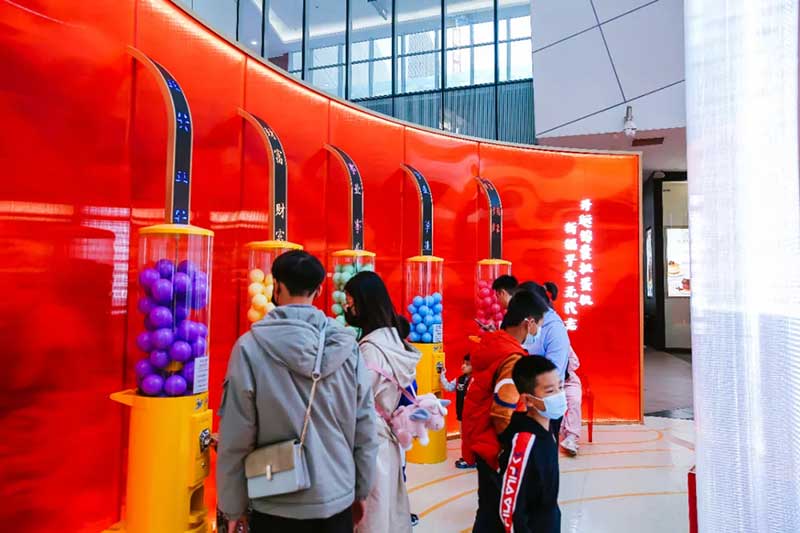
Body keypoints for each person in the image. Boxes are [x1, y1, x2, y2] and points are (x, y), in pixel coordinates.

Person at [217, 250, 379, 533]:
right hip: (337, 497)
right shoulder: (346, 347)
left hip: (273, 499)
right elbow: (365, 426)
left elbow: (236, 435)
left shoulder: (249, 347)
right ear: (319, 290)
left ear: (276, 287)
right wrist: (361, 489)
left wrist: (232, 506)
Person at [461, 291, 549, 533]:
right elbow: (503, 413)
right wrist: (510, 451)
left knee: (488, 508)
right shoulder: (512, 358)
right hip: (496, 447)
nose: (538, 331)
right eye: (538, 325)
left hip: (481, 439)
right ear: (528, 323)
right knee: (498, 514)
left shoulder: (494, 344)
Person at [343, 271, 421, 533]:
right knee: (388, 508)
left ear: (363, 303)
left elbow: (355, 398)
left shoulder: (370, 349)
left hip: (367, 438)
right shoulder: (393, 340)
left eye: (350, 301)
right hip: (386, 437)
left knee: (371, 512)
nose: (347, 308)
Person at [498, 356, 564, 533]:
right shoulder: (524, 442)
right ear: (527, 400)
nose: (559, 395)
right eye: (550, 391)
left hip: (549, 519)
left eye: (560, 387)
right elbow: (510, 509)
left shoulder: (551, 424)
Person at [518, 281, 582, 456]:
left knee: (544, 453)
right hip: (535, 392)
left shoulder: (554, 328)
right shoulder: (531, 324)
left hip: (551, 392)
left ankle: (571, 436)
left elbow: (555, 371)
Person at [438, 354, 474, 468]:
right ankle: (467, 457)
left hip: (472, 416)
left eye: (467, 364)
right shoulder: (459, 379)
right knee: (464, 437)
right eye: (463, 363)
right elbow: (448, 387)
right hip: (461, 414)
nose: (463, 366)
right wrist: (442, 375)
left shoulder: (477, 380)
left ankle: (471, 459)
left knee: (471, 437)